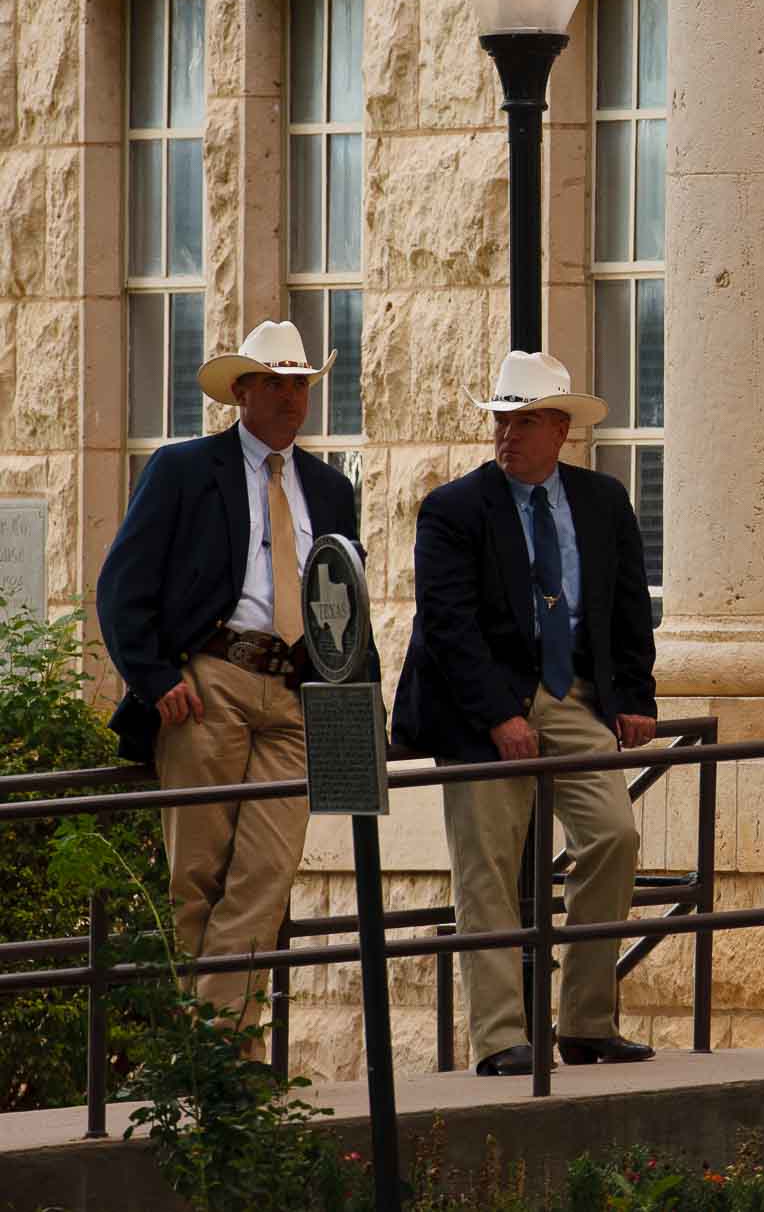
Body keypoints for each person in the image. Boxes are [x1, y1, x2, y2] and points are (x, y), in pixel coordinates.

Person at [392, 351, 659, 1077]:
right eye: (501, 420)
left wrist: (636, 698)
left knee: (614, 835)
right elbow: (448, 624)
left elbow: (629, 611)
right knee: (489, 869)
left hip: (572, 691)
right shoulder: (453, 509)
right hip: (479, 703)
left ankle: (586, 1022)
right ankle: (504, 1037)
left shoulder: (602, 503)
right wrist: (498, 718)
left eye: (526, 421)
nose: (509, 435)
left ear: (562, 429)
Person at [97, 319, 367, 1030]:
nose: (291, 398)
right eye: (276, 383)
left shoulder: (330, 488)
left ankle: (214, 1048)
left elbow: (348, 602)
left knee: (268, 875)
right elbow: (123, 587)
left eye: (301, 384)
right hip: (208, 682)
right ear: (241, 391)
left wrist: (360, 716)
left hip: (295, 691)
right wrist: (155, 679)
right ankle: (206, 1062)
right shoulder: (185, 469)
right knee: (197, 878)